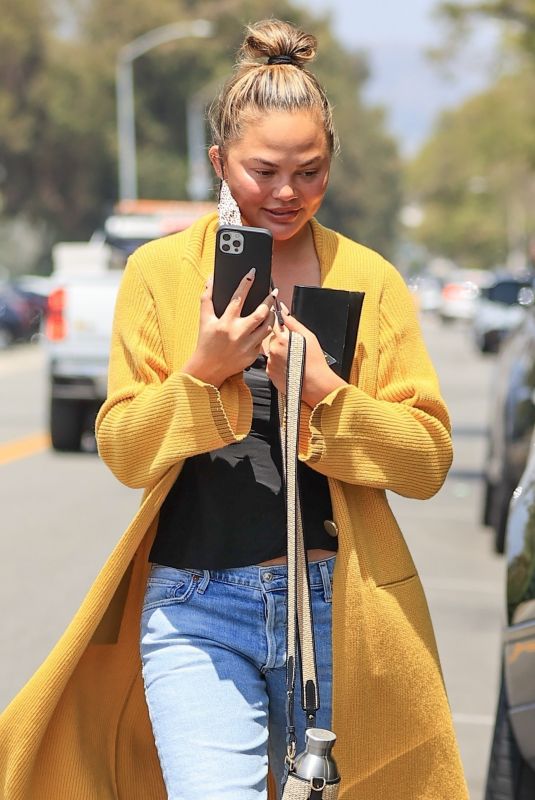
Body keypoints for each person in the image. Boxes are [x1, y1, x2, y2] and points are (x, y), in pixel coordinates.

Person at [0, 18, 468, 800]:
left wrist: (326, 394)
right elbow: (121, 450)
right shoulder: (159, 274)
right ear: (217, 162)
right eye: (263, 170)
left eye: (309, 172)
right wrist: (201, 373)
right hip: (195, 604)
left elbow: (425, 463)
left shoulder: (369, 279)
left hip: (337, 608)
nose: (286, 193)